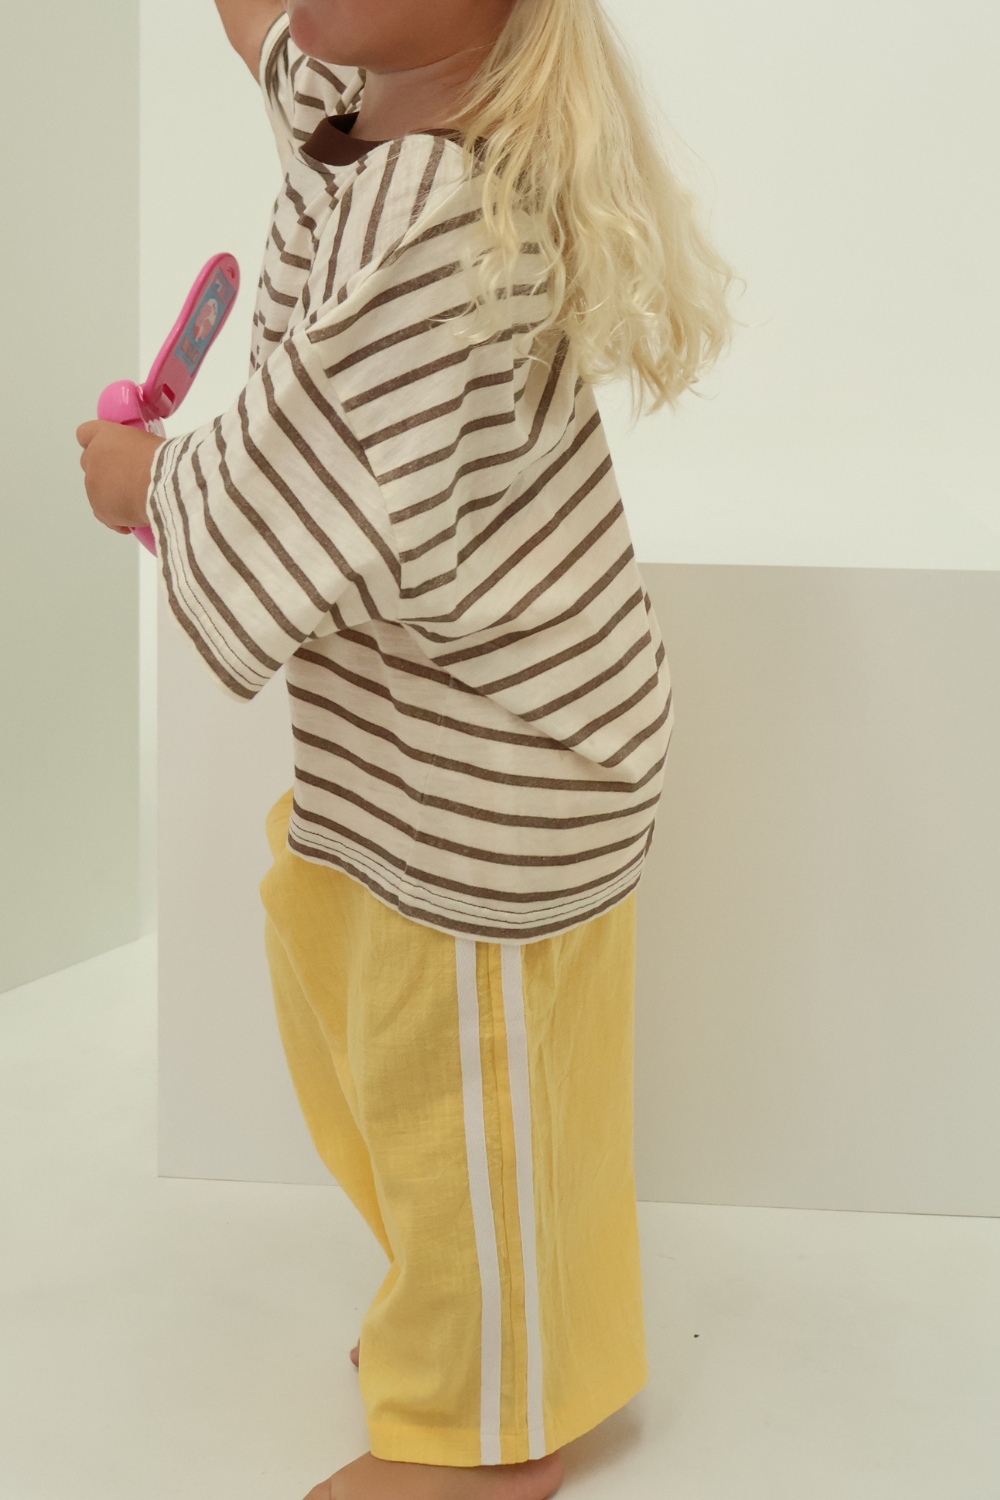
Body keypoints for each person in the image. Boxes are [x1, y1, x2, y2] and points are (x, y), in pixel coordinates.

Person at [77, 1, 740, 1495]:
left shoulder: (434, 207)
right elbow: (275, 41)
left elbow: (306, 466)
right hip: (456, 738)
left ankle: (487, 1433)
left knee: (459, 1105)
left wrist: (147, 481)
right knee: (403, 1044)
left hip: (491, 764)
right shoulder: (380, 94)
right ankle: (496, 1315)